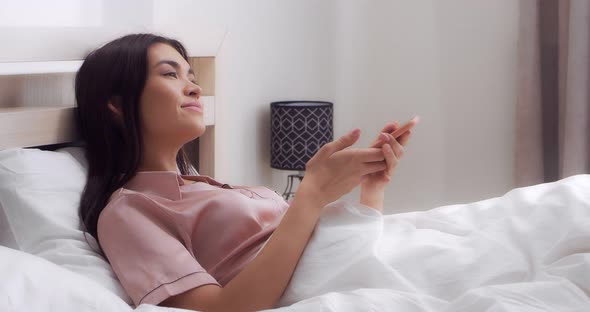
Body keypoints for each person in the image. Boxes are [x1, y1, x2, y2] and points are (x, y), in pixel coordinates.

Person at [75, 33, 415, 311]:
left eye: (191, 76)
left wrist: (374, 186)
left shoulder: (210, 187)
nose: (194, 88)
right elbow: (221, 308)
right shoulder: (127, 212)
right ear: (117, 105)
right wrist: (310, 195)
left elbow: (341, 253)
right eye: (170, 74)